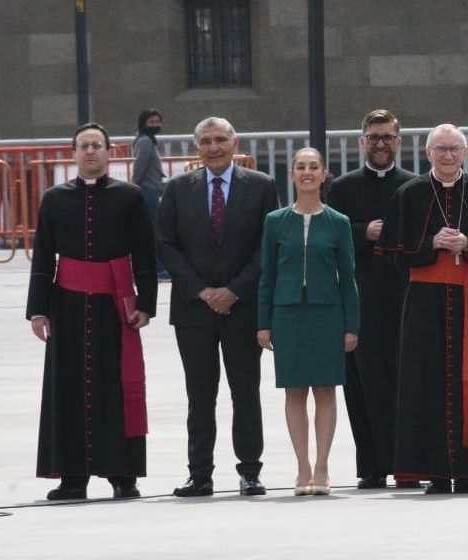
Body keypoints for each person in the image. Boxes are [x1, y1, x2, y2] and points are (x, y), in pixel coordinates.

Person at [378, 123, 468, 494]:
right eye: (440, 149)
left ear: (465, 152)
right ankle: (436, 473)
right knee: (425, 383)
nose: (448, 155)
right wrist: (431, 244)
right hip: (424, 304)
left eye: (455, 148)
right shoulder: (410, 194)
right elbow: (391, 254)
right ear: (428, 153)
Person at [26, 122, 157, 500]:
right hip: (65, 306)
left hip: (114, 306)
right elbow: (43, 257)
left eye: (97, 145)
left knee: (116, 387)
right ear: (73, 153)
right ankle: (72, 478)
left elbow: (145, 255)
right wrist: (38, 311)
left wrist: (145, 305)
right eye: (83, 146)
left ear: (109, 152)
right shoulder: (54, 198)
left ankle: (122, 474)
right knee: (67, 389)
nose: (90, 151)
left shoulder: (129, 196)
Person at [158, 117, 279, 497]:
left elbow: (267, 245)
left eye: (221, 140)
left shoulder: (261, 186)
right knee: (200, 394)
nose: (214, 147)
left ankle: (250, 471)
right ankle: (200, 474)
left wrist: (233, 291)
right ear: (197, 147)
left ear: (234, 142)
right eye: (206, 141)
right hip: (193, 310)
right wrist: (202, 291)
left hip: (242, 308)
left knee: (246, 392)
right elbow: (165, 244)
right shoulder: (176, 189)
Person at [258, 147, 359, 496]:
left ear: (323, 174)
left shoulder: (338, 222)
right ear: (292, 175)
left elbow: (348, 277)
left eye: (313, 167)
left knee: (326, 390)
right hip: (287, 313)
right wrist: (263, 322)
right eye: (300, 167)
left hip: (327, 313)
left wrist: (351, 325)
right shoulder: (275, 221)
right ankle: (302, 467)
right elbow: (266, 275)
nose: (306, 172)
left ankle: (323, 466)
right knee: (295, 391)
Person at [327, 109, 419, 490]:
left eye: (387, 137)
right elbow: (327, 235)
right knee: (363, 384)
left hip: (405, 296)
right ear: (362, 142)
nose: (381, 144)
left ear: (398, 142)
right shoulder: (343, 187)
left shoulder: (414, 185)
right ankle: (371, 465)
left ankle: (408, 463)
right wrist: (363, 231)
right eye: (374, 137)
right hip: (360, 295)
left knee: (406, 383)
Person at [132, 108, 168, 280]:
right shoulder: (145, 141)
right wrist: (135, 187)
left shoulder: (149, 140)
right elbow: (139, 166)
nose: (155, 125)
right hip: (148, 191)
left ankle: (158, 267)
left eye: (157, 122)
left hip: (153, 189)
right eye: (151, 122)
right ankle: (158, 268)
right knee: (154, 231)